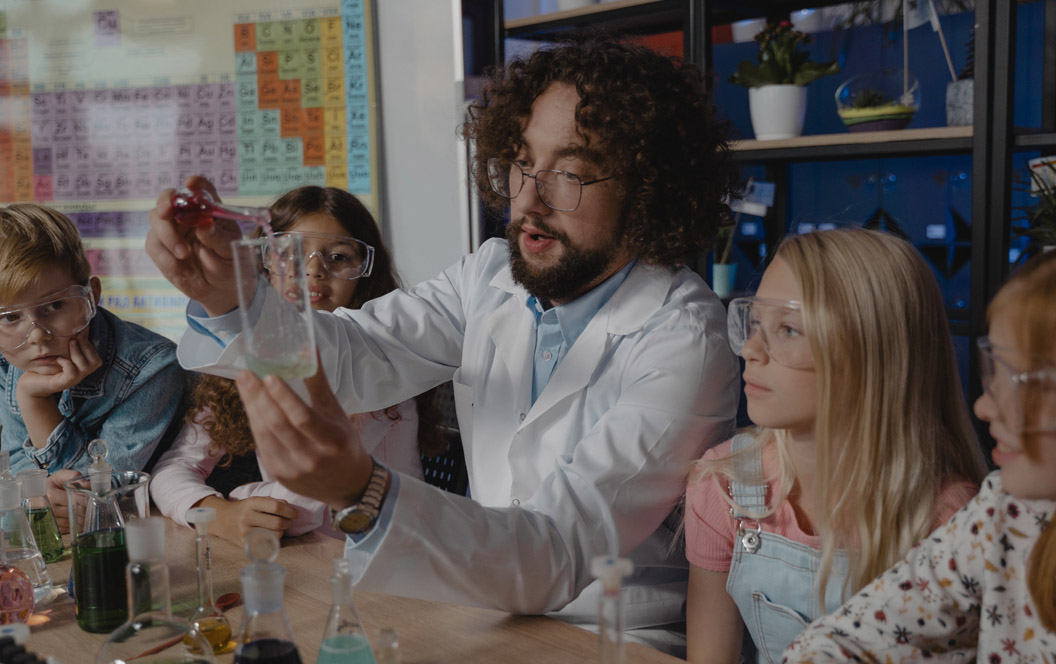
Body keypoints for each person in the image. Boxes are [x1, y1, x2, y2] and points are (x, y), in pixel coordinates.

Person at [146, 36, 740, 654]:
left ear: (647, 189)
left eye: (570, 173)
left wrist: (365, 490)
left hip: (612, 637)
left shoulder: (684, 339)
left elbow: (557, 550)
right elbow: (359, 352)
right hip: (485, 611)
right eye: (522, 162)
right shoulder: (491, 274)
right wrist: (232, 298)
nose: (529, 200)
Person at [683, 228, 988, 663]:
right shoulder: (725, 485)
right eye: (754, 324)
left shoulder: (947, 523)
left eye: (787, 329)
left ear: (872, 354)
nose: (751, 349)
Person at [782, 249, 1056, 662]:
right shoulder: (1007, 514)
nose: (984, 407)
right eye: (992, 369)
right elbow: (847, 637)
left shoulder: (956, 505)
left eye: (1023, 382)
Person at [150, 186, 444, 545]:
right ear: (262, 265)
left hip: (393, 554)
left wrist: (246, 495)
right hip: (306, 562)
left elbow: (305, 508)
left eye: (338, 257)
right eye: (290, 254)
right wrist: (216, 514)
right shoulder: (244, 365)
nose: (314, 270)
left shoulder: (380, 367)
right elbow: (173, 469)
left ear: (365, 272)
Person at [0, 203, 186, 515]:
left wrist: (34, 401)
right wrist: (33, 494)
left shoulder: (153, 368)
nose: (37, 336)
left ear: (92, 297)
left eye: (56, 306)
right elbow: (13, 473)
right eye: (10, 317)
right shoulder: (6, 359)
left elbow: (95, 493)